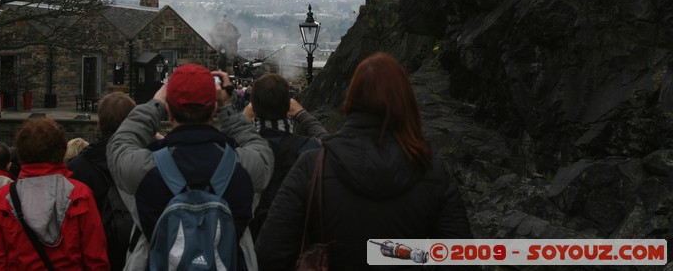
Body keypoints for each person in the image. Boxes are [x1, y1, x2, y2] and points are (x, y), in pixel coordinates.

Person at [255, 52, 471, 270]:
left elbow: (270, 253)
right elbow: (459, 259)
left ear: (351, 98)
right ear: (406, 100)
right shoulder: (432, 172)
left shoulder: (314, 165)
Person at [108, 63, 274, 271]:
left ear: (169, 110)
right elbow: (261, 149)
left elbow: (120, 143)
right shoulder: (244, 168)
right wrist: (225, 107)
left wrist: (157, 103)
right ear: (213, 108)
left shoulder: (143, 169)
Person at [0, 118, 109, 270]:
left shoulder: (3, 198)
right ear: (61, 150)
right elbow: (95, 259)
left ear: (21, 153)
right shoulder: (79, 194)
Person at [243, 73, 327, 240]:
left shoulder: (243, 151)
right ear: (288, 104)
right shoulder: (309, 148)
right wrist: (303, 115)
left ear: (254, 108)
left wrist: (242, 119)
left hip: (252, 241)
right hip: (297, 240)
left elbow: (221, 150)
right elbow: (330, 146)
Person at [68, 92, 136, 270]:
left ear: (99, 123)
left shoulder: (77, 167)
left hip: (96, 255)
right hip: (137, 254)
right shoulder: (148, 161)